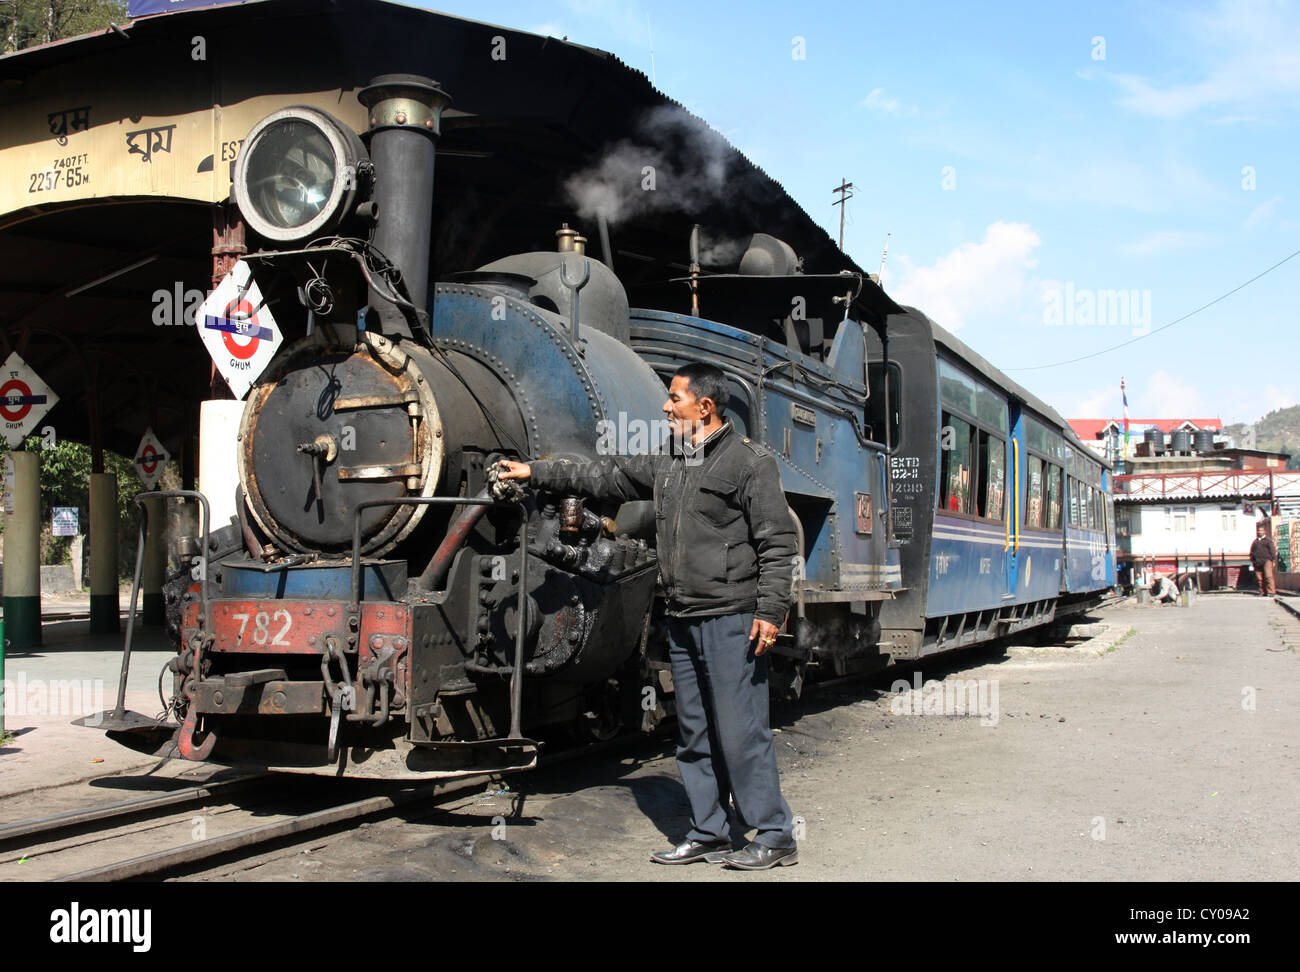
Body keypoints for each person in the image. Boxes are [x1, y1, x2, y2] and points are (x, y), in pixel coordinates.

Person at [495, 362, 799, 870]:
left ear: (704, 407)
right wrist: (534, 470)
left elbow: (777, 540)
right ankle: (709, 831)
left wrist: (770, 609)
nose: (664, 406)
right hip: (682, 615)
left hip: (731, 617)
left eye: (674, 399)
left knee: (741, 731)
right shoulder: (669, 461)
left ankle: (773, 833)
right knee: (694, 731)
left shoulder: (748, 463)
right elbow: (603, 476)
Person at [1251, 523, 1277, 597]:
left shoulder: (1268, 540)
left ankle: (1271, 592)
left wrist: (1272, 559)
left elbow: (1272, 551)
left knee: (1268, 576)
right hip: (1257, 562)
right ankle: (1262, 592)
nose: (1259, 532)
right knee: (1259, 578)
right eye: (1258, 531)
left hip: (1267, 561)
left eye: (1261, 531)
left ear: (1264, 532)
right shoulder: (1255, 542)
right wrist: (1253, 561)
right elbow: (1252, 552)